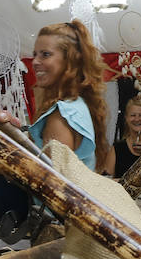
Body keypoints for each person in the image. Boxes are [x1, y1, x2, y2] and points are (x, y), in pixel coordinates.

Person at [27, 20, 110, 171]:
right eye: (35, 54)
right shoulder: (77, 106)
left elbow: (54, 188)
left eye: (45, 54)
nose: (35, 62)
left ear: (69, 60)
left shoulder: (61, 116)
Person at [109, 94, 141, 179]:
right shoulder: (117, 148)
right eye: (132, 115)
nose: (136, 119)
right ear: (126, 118)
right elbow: (107, 179)